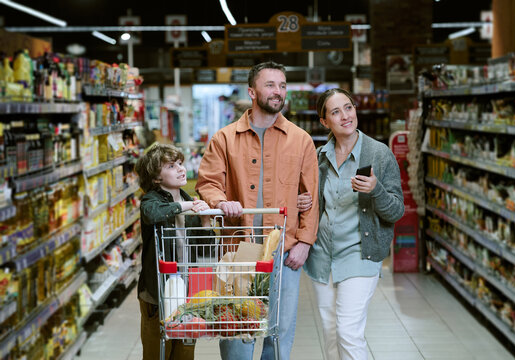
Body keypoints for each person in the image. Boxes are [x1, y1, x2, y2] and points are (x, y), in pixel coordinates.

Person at [195, 61, 319, 360]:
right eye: (270, 85)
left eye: (282, 85)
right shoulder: (224, 138)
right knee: (236, 328)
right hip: (239, 249)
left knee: (279, 331)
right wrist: (219, 201)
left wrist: (304, 242)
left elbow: (311, 196)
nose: (278, 92)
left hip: (283, 250)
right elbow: (208, 183)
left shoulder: (300, 140)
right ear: (252, 91)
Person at [299, 88, 404, 360]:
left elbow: (396, 211)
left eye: (348, 107)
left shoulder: (378, 154)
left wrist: (376, 190)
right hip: (323, 256)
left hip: (360, 254)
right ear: (324, 122)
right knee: (331, 333)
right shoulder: (319, 157)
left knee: (348, 332)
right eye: (335, 112)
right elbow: (314, 203)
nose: (345, 116)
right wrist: (303, 202)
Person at [135, 143, 213, 360]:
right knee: (158, 352)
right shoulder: (152, 200)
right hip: (157, 292)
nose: (180, 169)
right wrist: (185, 208)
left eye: (180, 163)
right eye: (171, 166)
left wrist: (205, 222)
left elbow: (204, 245)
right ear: (155, 178)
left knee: (185, 352)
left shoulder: (189, 200)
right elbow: (152, 214)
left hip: (187, 290)